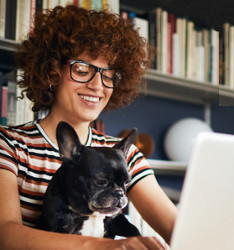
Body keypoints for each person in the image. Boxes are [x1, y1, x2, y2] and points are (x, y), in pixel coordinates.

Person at [0, 5, 177, 250]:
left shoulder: (125, 156)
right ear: (52, 71)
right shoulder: (9, 145)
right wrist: (107, 247)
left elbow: (177, 227)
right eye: (82, 70)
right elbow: (6, 236)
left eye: (109, 75)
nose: (97, 85)